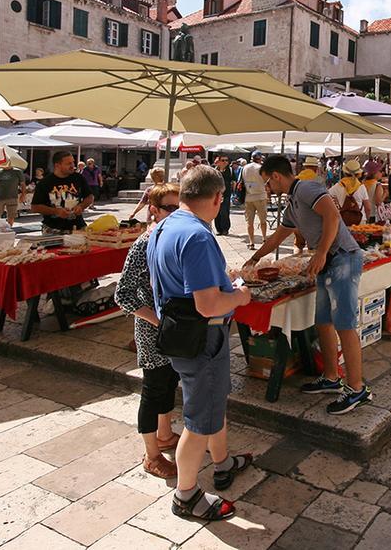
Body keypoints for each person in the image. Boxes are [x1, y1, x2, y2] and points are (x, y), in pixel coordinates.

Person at [147, 165, 253, 522]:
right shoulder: (198, 236)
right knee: (198, 421)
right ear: (218, 198)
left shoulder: (164, 226)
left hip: (179, 334)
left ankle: (222, 462)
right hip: (202, 339)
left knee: (209, 405)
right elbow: (207, 304)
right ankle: (186, 494)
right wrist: (239, 297)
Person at [248, 155, 372, 414]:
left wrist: (321, 252)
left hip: (343, 259)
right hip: (328, 263)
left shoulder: (306, 188)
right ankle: (330, 377)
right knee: (323, 322)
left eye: (268, 183)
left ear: (277, 176)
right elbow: (277, 236)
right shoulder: (293, 202)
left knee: (345, 325)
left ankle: (357, 389)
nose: (268, 189)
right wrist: (254, 259)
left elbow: (332, 216)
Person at [115, 181, 183, 480]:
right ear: (153, 210)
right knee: (154, 389)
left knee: (169, 382)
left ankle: (165, 435)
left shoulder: (172, 238)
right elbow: (123, 294)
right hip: (152, 331)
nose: (176, 213)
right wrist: (157, 321)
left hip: (170, 329)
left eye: (179, 207)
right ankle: (151, 454)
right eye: (170, 208)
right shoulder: (144, 243)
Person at [31, 150, 94, 233]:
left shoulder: (78, 178)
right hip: (53, 228)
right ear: (57, 165)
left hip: (78, 226)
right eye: (69, 164)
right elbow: (35, 207)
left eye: (73, 162)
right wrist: (56, 211)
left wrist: (81, 206)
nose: (73, 166)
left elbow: (90, 197)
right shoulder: (45, 182)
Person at [328, 159, 372, 225]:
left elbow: (328, 199)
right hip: (360, 220)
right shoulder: (361, 187)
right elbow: (368, 208)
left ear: (345, 173)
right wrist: (367, 219)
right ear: (358, 174)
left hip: (343, 220)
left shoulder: (336, 187)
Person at [242, 150, 267, 250]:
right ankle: (264, 239)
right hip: (260, 196)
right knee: (263, 221)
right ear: (260, 158)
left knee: (249, 222)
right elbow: (266, 180)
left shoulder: (245, 167)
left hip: (249, 197)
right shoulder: (261, 168)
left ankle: (251, 242)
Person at [214, 155, 233, 235]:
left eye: (226, 160)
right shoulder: (215, 171)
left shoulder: (230, 170)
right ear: (218, 162)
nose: (225, 162)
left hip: (226, 194)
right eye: (223, 160)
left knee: (224, 212)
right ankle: (218, 229)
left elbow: (233, 181)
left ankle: (225, 229)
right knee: (217, 212)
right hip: (216, 194)